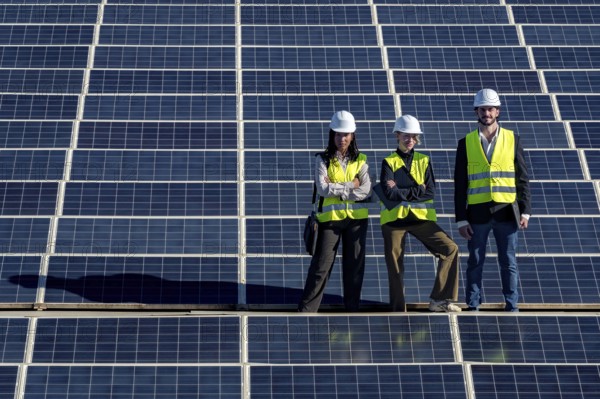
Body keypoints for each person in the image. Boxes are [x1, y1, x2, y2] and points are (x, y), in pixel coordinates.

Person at [454, 88, 531, 312]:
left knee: (508, 263)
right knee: (475, 262)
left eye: (490, 109)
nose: (486, 113)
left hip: (507, 212)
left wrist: (525, 211)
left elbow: (522, 179)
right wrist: (461, 219)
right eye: (482, 109)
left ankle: (512, 305)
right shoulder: (465, 143)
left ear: (497, 111)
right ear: (476, 112)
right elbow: (460, 185)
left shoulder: (512, 139)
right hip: (477, 215)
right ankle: (473, 305)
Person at [376, 115, 460, 312]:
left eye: (413, 136)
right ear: (397, 135)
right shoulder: (388, 161)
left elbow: (430, 191)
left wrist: (402, 191)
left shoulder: (424, 160)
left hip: (420, 219)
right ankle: (398, 309)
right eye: (406, 136)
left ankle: (440, 300)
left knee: (450, 249)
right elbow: (389, 193)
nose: (410, 140)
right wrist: (417, 189)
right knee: (395, 266)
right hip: (394, 221)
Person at [298, 110, 371, 312]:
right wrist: (350, 185)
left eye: (346, 134)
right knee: (321, 267)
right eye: (338, 134)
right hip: (329, 222)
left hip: (356, 221)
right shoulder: (322, 159)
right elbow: (322, 188)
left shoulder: (361, 159)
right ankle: (306, 310)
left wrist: (337, 187)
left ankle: (352, 310)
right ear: (332, 135)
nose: (342, 138)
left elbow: (365, 190)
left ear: (352, 135)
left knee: (354, 267)